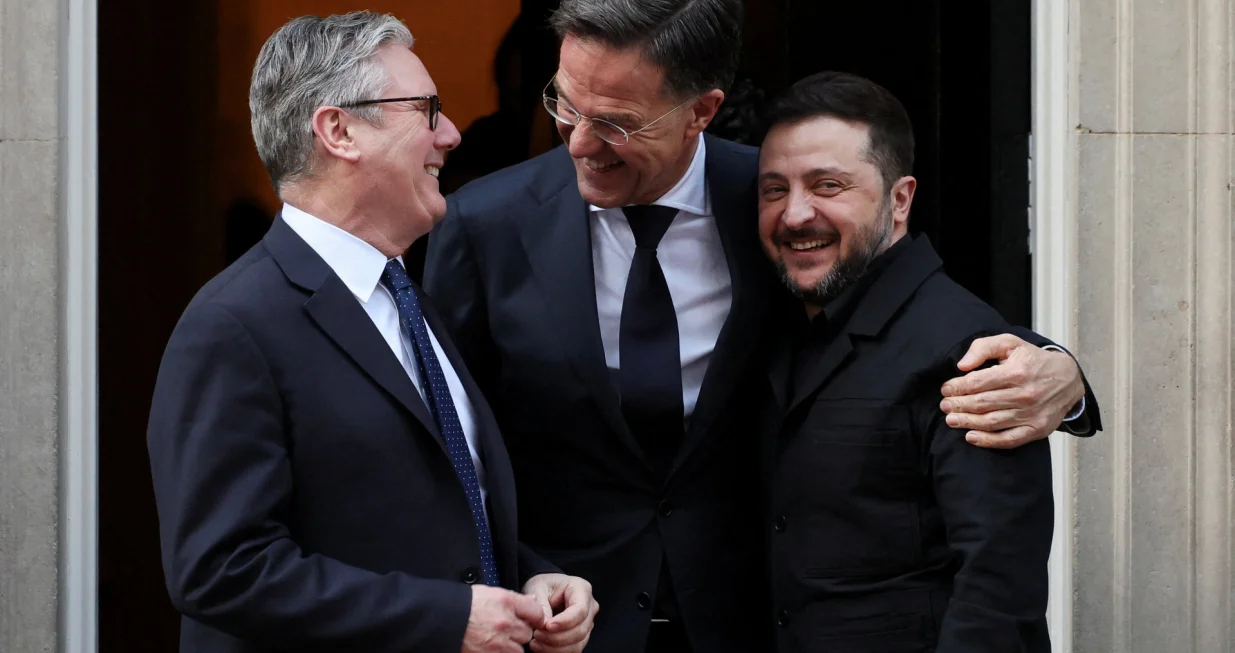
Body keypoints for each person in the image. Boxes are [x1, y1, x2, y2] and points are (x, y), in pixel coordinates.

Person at [423, 1, 1099, 651]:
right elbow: (446, 436)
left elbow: (903, 307)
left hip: (750, 623)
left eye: (617, 123)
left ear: (701, 111)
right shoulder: (483, 225)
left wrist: (1057, 372)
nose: (579, 141)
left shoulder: (776, 201)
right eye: (566, 104)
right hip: (561, 624)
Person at [146, 12, 597, 653]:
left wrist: (529, 579)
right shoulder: (231, 325)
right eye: (427, 110)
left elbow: (421, 517)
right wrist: (446, 618)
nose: (452, 133)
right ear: (339, 130)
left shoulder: (407, 298)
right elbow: (220, 570)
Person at [758, 71, 1055, 653]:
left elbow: (997, 590)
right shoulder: (780, 324)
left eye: (827, 185)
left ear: (900, 200)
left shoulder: (969, 350)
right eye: (774, 190)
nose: (794, 215)